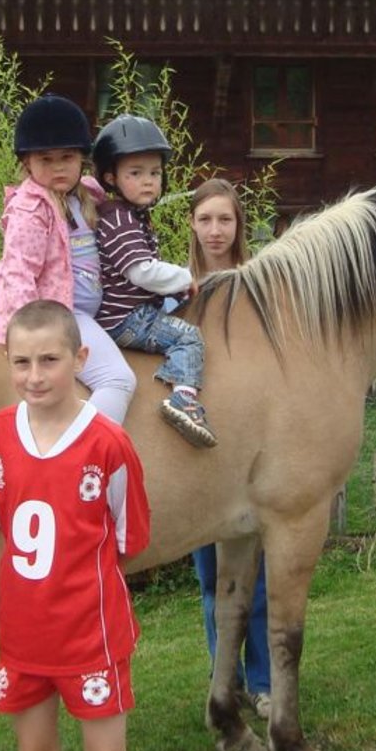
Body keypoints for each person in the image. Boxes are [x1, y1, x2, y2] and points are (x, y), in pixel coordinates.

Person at [0, 299, 150, 751]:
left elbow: (129, 539)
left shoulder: (109, 444)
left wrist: (83, 588)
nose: (34, 376)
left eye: (48, 360)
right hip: (24, 637)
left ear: (80, 358)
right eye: (21, 362)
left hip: (90, 634)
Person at [0, 93, 137, 423]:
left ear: (81, 159)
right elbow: (18, 272)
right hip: (59, 315)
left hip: (82, 312)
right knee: (118, 379)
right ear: (27, 164)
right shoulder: (31, 210)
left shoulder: (81, 196)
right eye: (45, 159)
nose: (57, 167)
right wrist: (32, 331)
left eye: (66, 157)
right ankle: (82, 453)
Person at [185, 178, 271, 716]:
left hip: (251, 448)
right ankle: (227, 681)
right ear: (192, 226)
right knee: (209, 577)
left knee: (256, 580)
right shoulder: (178, 288)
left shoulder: (257, 287)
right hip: (195, 446)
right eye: (206, 220)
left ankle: (263, 683)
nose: (216, 230)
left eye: (225, 220)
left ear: (238, 226)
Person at [93, 113, 216, 447]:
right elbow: (142, 272)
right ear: (110, 176)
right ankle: (184, 398)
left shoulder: (129, 215)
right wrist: (184, 276)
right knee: (188, 337)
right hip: (125, 318)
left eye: (155, 172)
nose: (148, 181)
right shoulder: (119, 219)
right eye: (136, 173)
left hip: (135, 309)